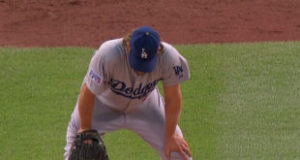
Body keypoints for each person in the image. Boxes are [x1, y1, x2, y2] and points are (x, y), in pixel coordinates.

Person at [64, 26, 193, 160]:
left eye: (146, 64)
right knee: (81, 152)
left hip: (145, 105)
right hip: (101, 105)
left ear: (158, 51)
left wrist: (170, 135)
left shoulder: (169, 58)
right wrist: (85, 130)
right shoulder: (108, 54)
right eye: (138, 62)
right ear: (127, 46)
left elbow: (173, 98)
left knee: (178, 153)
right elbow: (88, 91)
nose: (141, 70)